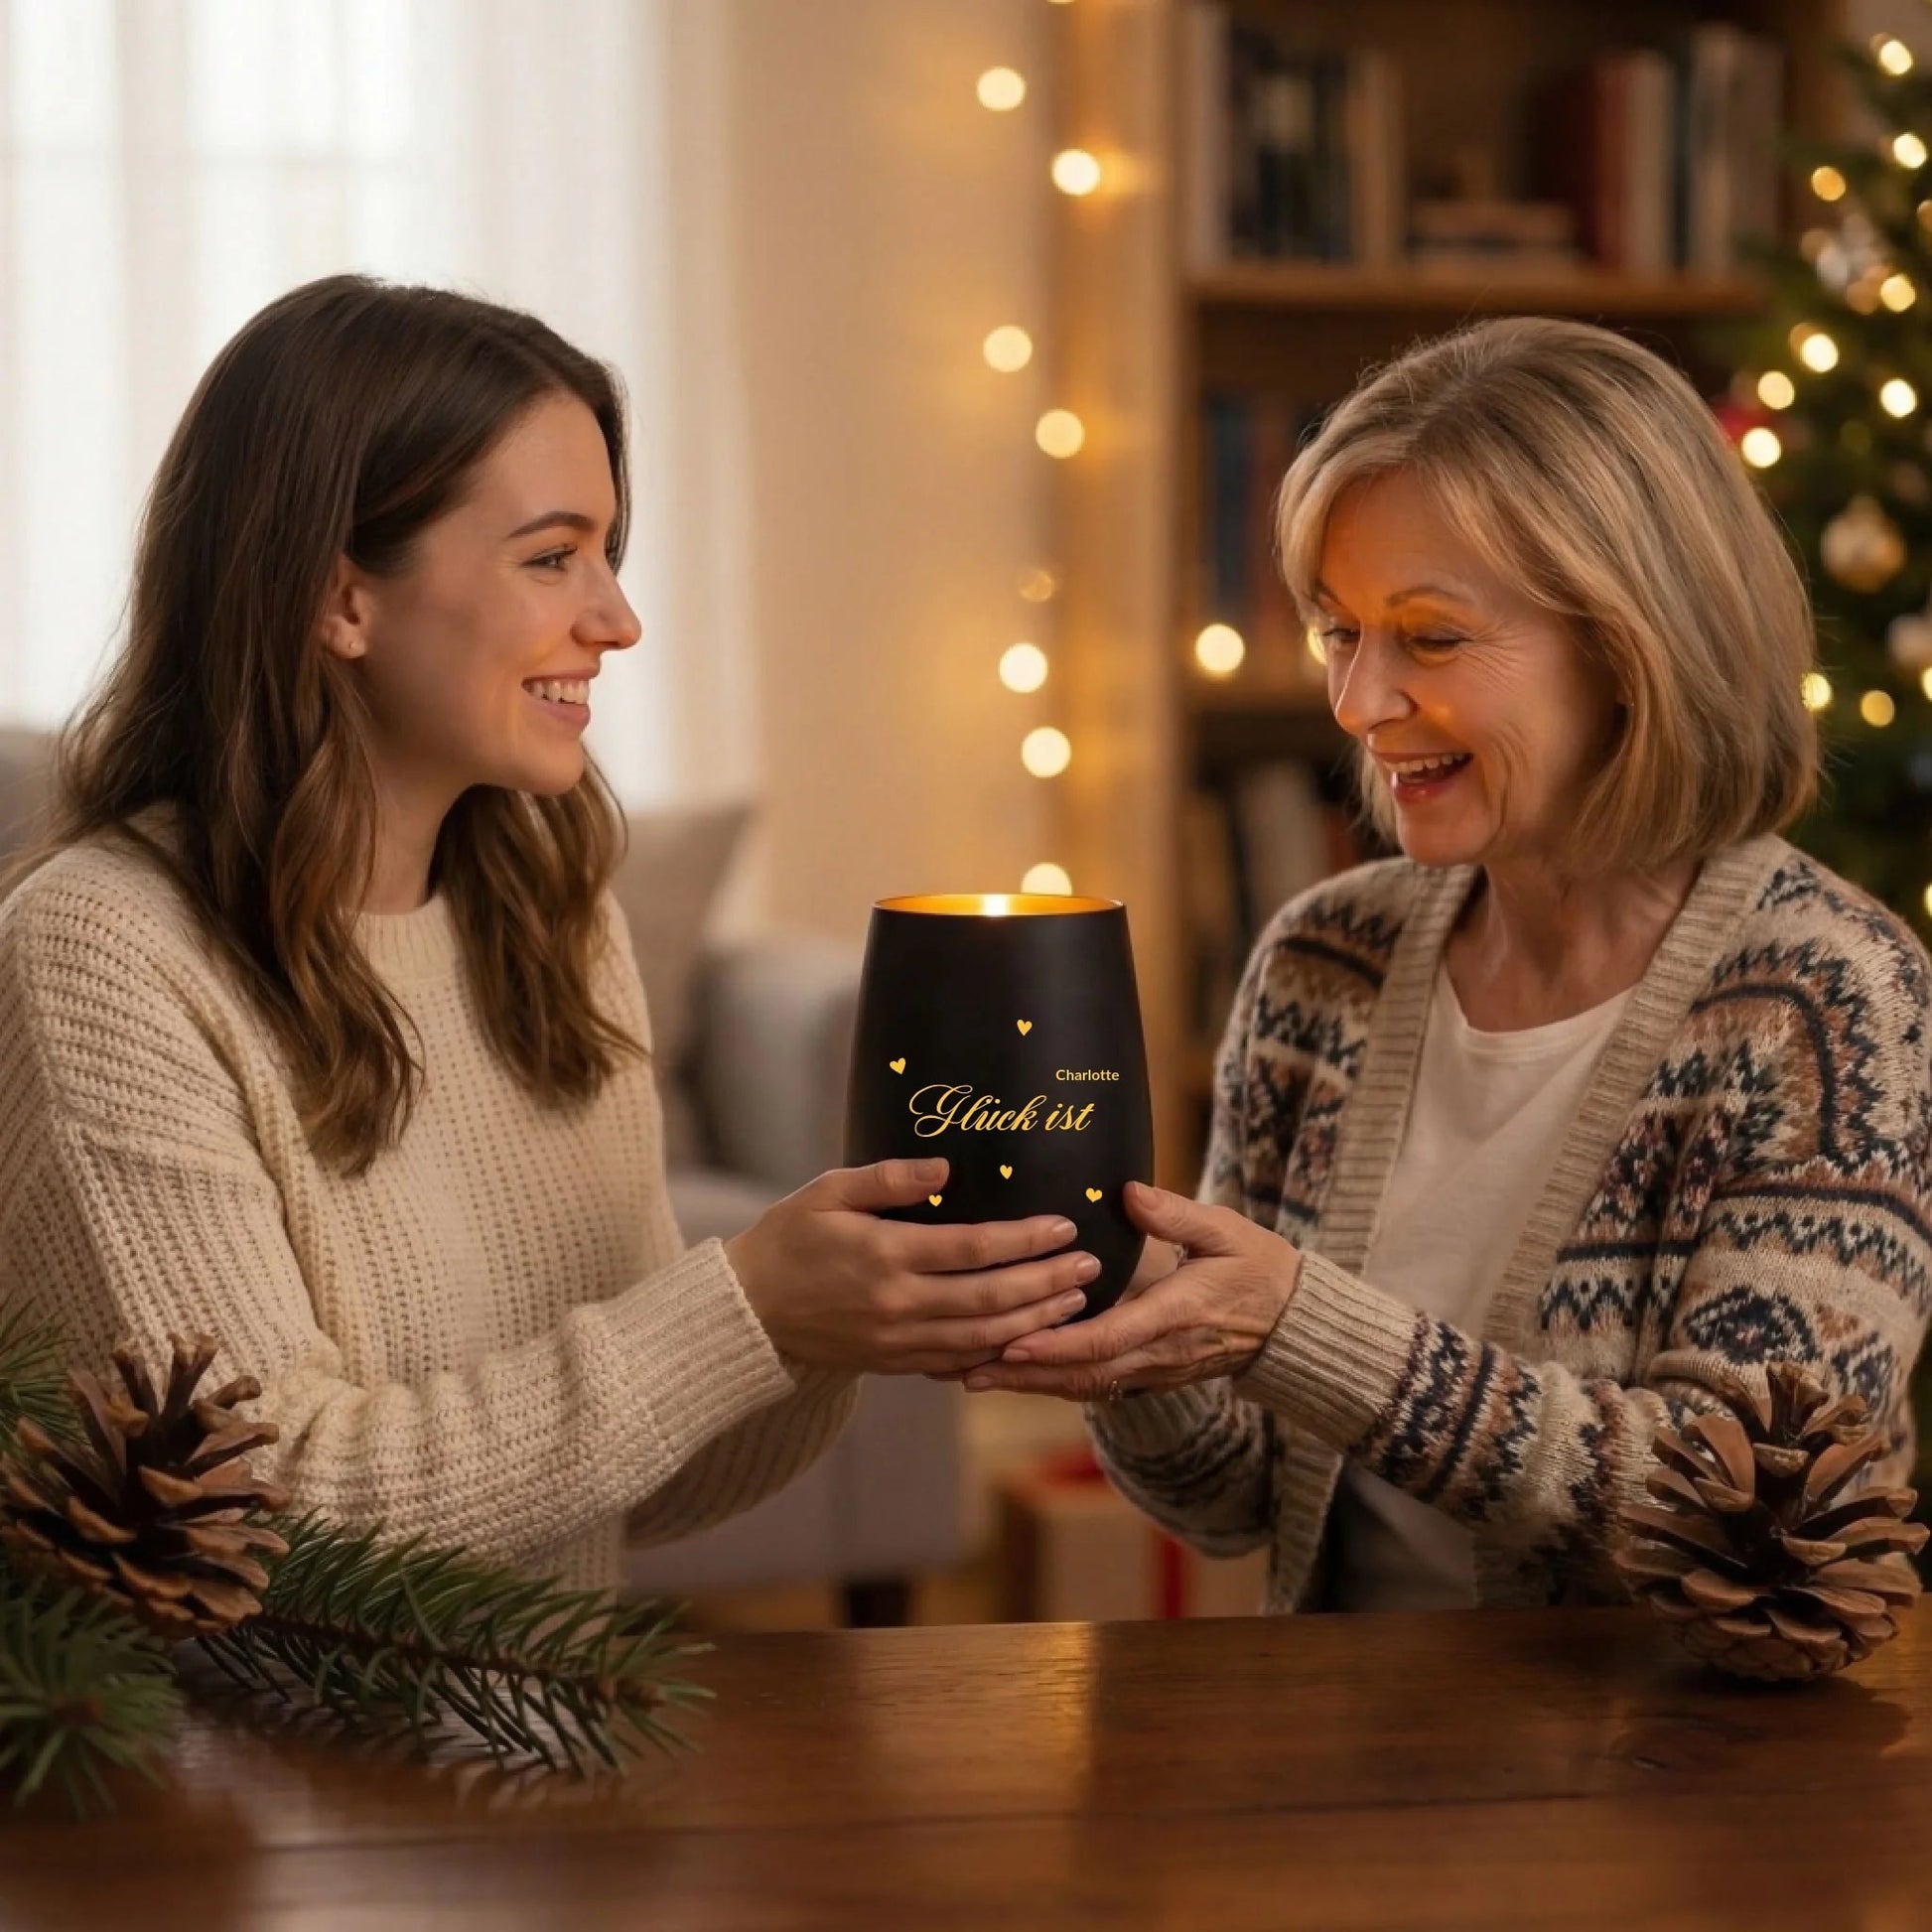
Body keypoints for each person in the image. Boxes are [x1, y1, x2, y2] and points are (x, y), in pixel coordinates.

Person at [0, 275, 1099, 1592]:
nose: (616, 620)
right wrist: (742, 1302)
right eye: (550, 555)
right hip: (257, 1790)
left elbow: (646, 1483)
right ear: (339, 596)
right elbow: (256, 1517)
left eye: (610, 552)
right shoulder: (98, 951)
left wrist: (833, 1323)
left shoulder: (552, 921)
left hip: (557, 1756)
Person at [962, 316, 1932, 1613]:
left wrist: (1294, 1324)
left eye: (1426, 637)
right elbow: (1234, 1498)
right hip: (1352, 1745)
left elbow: (1741, 1512)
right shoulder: (1325, 960)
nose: (1356, 703)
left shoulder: (1829, 999)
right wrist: (1129, 1329)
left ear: (1629, 647)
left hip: (1676, 1774)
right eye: (1336, 631)